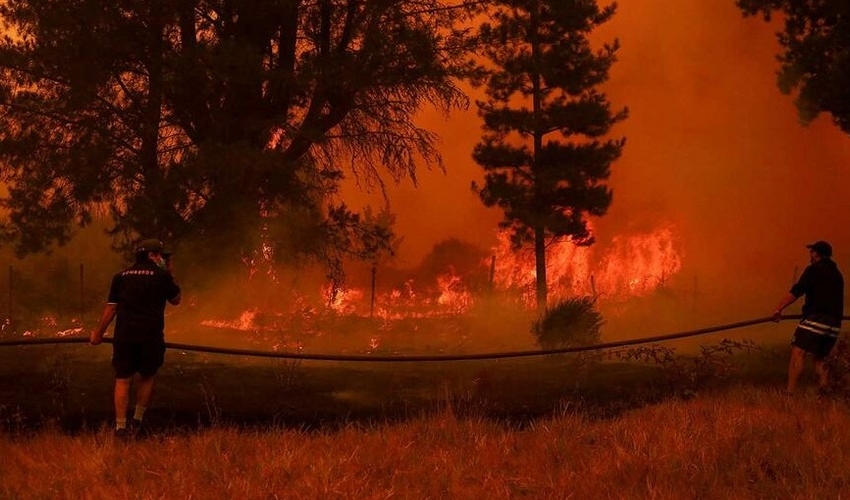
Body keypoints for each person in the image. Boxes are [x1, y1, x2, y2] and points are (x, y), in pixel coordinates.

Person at [90, 238, 181, 438]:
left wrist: (98, 333)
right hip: (151, 336)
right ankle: (137, 422)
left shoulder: (120, 276)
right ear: (151, 255)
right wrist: (169, 272)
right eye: (159, 255)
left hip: (124, 336)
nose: (162, 258)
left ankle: (120, 428)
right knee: (147, 376)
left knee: (123, 378)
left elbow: (111, 308)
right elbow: (176, 300)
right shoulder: (162, 276)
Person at [772, 240, 844, 394]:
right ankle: (824, 393)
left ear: (817, 253)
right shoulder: (838, 275)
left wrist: (778, 309)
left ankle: (789, 393)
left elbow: (796, 292)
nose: (810, 255)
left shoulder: (814, 270)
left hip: (816, 319)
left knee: (798, 352)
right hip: (834, 323)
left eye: (812, 252)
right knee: (820, 358)